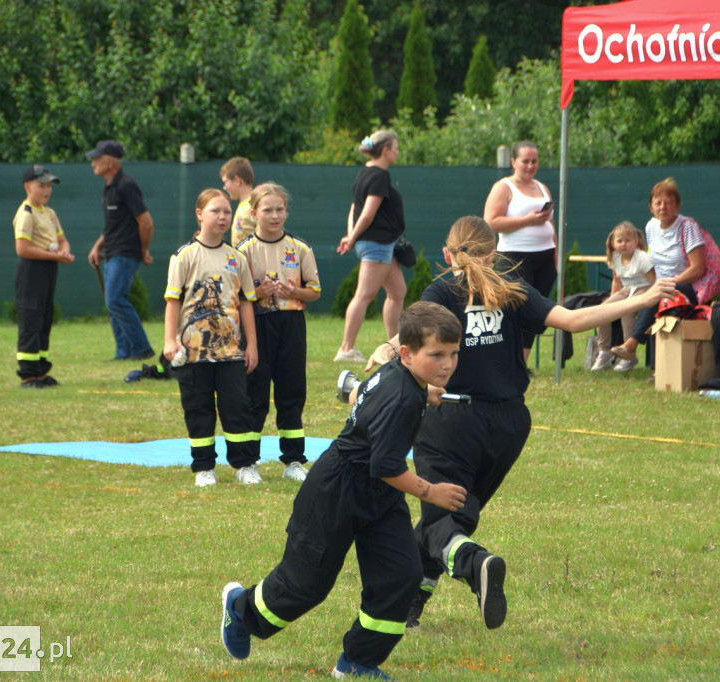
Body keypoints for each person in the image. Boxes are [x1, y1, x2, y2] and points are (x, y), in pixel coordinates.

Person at [363, 216, 675, 630]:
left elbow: (417, 341)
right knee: (456, 515)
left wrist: (385, 351)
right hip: (510, 424)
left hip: (453, 417)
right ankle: (410, 606)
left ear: (446, 255)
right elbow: (573, 320)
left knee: (441, 520)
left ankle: (477, 566)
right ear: (494, 253)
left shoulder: (440, 291)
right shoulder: (512, 287)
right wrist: (643, 298)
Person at [220, 301, 467, 680]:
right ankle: (240, 609)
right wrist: (431, 492)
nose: (448, 364)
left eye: (453, 353)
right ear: (406, 353)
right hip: (335, 492)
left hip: (379, 498)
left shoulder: (403, 377)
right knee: (306, 586)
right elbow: (385, 465)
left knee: (401, 577)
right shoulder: (402, 395)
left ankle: (357, 663)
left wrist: (427, 391)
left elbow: (364, 396)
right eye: (437, 355)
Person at [163, 189, 261, 487]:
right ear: (199, 214)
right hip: (193, 353)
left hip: (230, 352)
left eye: (227, 212)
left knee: (237, 407)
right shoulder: (183, 256)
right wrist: (170, 341)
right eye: (215, 211)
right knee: (198, 408)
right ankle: (204, 467)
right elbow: (173, 302)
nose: (222, 217)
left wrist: (252, 345)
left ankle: (244, 464)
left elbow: (246, 302)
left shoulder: (237, 258)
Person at [237, 183, 321, 483]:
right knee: (254, 394)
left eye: (279, 209)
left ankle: (294, 460)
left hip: (291, 325)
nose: (274, 216)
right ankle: (247, 462)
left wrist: (294, 290)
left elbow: (314, 292)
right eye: (267, 210)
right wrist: (257, 292)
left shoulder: (300, 248)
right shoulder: (243, 251)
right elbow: (236, 296)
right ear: (254, 213)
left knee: (292, 392)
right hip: (257, 325)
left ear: (287, 211)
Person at [610, 178, 704, 369]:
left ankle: (631, 344)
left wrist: (668, 282)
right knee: (651, 295)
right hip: (660, 286)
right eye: (658, 202)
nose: (663, 207)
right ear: (651, 207)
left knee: (657, 293)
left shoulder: (688, 226)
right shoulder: (651, 227)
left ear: (677, 205)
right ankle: (656, 367)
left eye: (668, 202)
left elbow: (697, 268)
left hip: (688, 288)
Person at [334, 130, 407, 363]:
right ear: (385, 150)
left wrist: (350, 235)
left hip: (382, 244)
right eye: (395, 147)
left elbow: (353, 210)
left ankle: (394, 344)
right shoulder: (379, 176)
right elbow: (366, 214)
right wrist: (353, 237)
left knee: (397, 293)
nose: (397, 151)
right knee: (365, 295)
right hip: (377, 243)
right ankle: (346, 349)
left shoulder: (365, 173)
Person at [483, 141, 556, 366]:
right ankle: (507, 361)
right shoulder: (504, 187)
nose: (530, 165)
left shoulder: (543, 187)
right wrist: (528, 220)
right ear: (514, 162)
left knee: (536, 312)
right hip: (514, 258)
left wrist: (555, 258)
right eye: (525, 161)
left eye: (534, 161)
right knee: (514, 309)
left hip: (544, 257)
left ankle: (522, 364)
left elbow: (551, 225)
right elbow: (491, 222)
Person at [86, 140, 155, 361]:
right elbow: (113, 226)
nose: (92, 163)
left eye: (97, 159)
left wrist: (143, 250)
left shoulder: (126, 185)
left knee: (115, 299)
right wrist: (98, 246)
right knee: (112, 301)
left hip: (125, 253)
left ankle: (141, 348)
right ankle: (123, 352)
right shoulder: (109, 189)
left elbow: (146, 222)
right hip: (112, 253)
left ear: (109, 161)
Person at [13, 164, 75, 388]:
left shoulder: (50, 213)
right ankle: (27, 375)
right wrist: (55, 257)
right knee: (30, 320)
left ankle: (40, 371)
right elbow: (22, 249)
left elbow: (61, 239)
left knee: (44, 319)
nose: (46, 190)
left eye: (49, 186)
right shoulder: (26, 213)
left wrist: (64, 251)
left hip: (49, 269)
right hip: (32, 271)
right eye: (41, 186)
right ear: (27, 187)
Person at [591, 221, 656, 372]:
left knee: (626, 311)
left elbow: (654, 282)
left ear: (636, 241)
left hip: (644, 289)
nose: (623, 244)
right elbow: (617, 280)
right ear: (613, 243)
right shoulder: (615, 257)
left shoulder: (642, 258)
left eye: (628, 240)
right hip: (627, 289)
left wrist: (651, 298)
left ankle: (629, 356)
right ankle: (604, 351)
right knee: (602, 309)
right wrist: (612, 303)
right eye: (619, 241)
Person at [220, 156, 256, 247]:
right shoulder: (243, 204)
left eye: (225, 182)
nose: (224, 188)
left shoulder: (256, 205)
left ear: (237, 180)